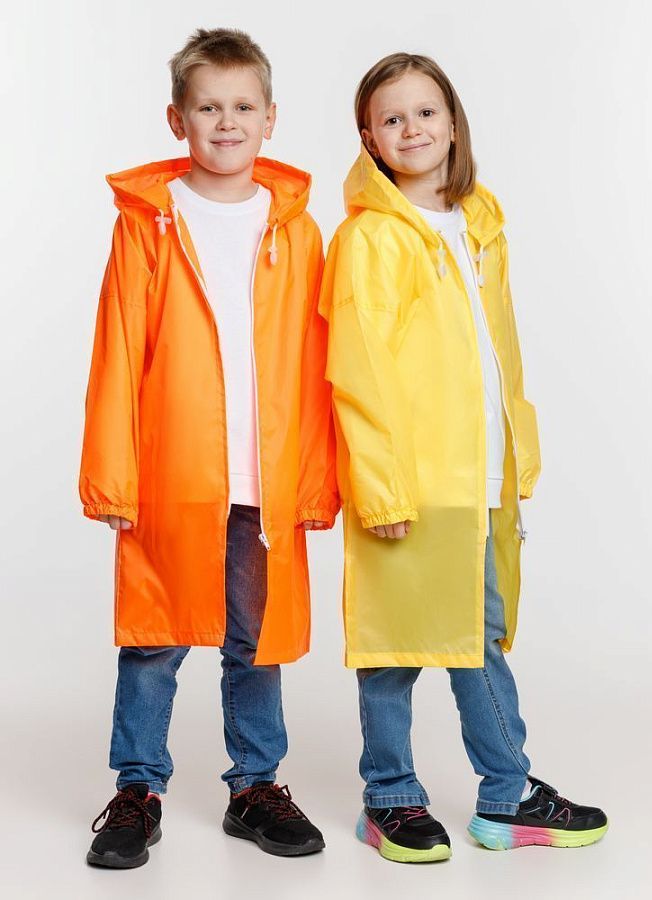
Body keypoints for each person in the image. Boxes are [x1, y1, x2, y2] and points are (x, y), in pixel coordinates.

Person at [319, 52, 608, 862]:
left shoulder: (479, 226)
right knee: (393, 647)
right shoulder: (370, 239)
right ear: (369, 138)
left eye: (425, 112)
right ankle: (392, 796)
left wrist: (518, 451)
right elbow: (357, 368)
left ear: (452, 122)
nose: (411, 128)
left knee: (476, 631)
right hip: (409, 478)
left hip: (477, 471)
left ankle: (502, 796)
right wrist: (380, 487)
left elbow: (497, 350)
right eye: (391, 118)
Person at [79, 27, 339, 868]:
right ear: (177, 119)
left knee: (253, 642)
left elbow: (316, 361)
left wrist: (317, 480)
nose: (226, 123)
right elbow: (118, 349)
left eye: (242, 107)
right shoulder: (147, 225)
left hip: (265, 478)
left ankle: (255, 785)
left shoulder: (297, 229)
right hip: (172, 470)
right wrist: (112, 478)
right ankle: (137, 788)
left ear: (270, 118)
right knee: (153, 637)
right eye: (208, 108)